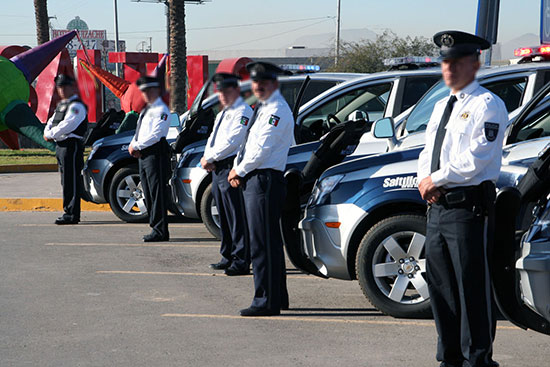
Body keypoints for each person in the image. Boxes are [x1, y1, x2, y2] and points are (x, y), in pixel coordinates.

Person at [417, 30, 508, 367]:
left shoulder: (487, 104)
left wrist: (435, 179)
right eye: (445, 62)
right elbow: (429, 151)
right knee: (441, 289)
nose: (449, 69)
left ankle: (478, 359)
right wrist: (424, 181)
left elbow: (476, 159)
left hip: (468, 207)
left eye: (456, 62)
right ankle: (450, 357)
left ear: (475, 63)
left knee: (472, 289)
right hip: (438, 208)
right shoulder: (442, 105)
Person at [227, 61, 294, 317]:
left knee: (262, 244)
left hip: (264, 180)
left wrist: (238, 170)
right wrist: (239, 167)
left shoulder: (276, 110)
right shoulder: (265, 108)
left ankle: (266, 300)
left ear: (274, 84)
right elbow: (248, 145)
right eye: (255, 83)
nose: (258, 87)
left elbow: (261, 149)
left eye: (263, 83)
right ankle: (277, 296)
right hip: (256, 179)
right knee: (269, 242)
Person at [201, 73, 253, 276]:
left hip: (230, 165)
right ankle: (228, 255)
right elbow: (213, 138)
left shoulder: (243, 111)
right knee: (224, 214)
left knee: (236, 215)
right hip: (217, 167)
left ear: (235, 91)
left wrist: (211, 157)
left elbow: (233, 140)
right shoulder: (224, 112)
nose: (220, 95)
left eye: (223, 91)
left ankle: (241, 259)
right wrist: (208, 157)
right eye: (218, 91)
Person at [129, 76, 171, 242]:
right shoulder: (147, 110)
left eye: (148, 91)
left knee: (157, 193)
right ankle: (155, 227)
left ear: (156, 91)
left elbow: (156, 135)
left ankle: (161, 230)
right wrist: (135, 146)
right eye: (143, 91)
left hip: (156, 155)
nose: (145, 94)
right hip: (144, 155)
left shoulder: (161, 109)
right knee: (148, 191)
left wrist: (137, 146)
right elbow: (138, 133)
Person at [44, 74, 88, 225]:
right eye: (59, 87)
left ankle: (72, 213)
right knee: (65, 180)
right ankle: (67, 211)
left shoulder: (76, 106)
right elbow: (51, 121)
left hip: (71, 145)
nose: (61, 90)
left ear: (72, 87)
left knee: (72, 180)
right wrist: (47, 133)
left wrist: (50, 134)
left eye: (64, 86)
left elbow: (68, 125)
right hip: (61, 146)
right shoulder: (62, 105)